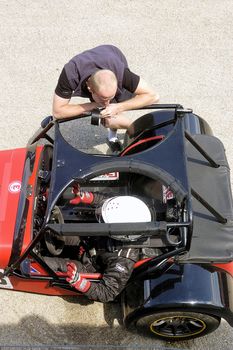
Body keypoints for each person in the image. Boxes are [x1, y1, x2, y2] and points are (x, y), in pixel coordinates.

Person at [53, 45, 159, 153]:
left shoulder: (121, 73)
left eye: (110, 98)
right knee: (110, 114)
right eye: (104, 98)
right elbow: (58, 112)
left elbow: (153, 96)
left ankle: (114, 136)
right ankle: (117, 135)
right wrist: (95, 105)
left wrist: (118, 107)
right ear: (90, 89)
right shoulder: (71, 73)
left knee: (117, 106)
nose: (107, 103)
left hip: (111, 54)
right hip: (88, 71)